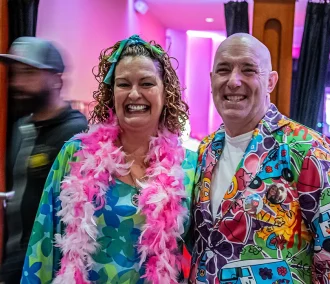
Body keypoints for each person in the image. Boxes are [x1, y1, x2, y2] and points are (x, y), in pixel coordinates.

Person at [189, 33, 330, 284]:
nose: (234, 81)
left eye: (248, 70)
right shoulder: (204, 151)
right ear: (211, 79)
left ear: (271, 81)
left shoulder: (309, 149)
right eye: (223, 70)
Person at [21, 35, 197, 283]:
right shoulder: (75, 155)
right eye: (124, 84)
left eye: (146, 83)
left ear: (166, 92)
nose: (134, 94)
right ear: (111, 93)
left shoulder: (190, 167)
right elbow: (42, 244)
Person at [0, 37, 88, 283]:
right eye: (15, 74)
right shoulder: (20, 128)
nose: (17, 83)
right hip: (12, 259)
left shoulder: (76, 134)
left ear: (56, 79)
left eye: (28, 73)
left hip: (44, 268)